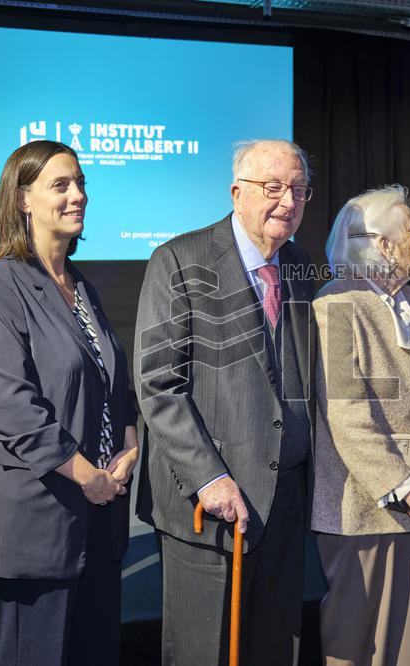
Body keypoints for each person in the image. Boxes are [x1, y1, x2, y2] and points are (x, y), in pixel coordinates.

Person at [134, 139, 315, 665]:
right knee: (203, 652)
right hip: (211, 506)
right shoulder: (180, 259)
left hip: (284, 501)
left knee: (274, 649)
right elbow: (158, 385)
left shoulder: (300, 266)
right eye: (273, 187)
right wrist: (209, 478)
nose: (287, 201)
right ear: (237, 192)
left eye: (299, 190)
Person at [0, 140, 139, 665]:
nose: (77, 195)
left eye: (81, 183)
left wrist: (128, 443)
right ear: (22, 201)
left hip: (99, 525)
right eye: (60, 185)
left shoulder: (82, 286)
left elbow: (112, 380)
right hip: (36, 528)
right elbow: (10, 407)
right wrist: (90, 476)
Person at [313, 185, 410, 666]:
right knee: (360, 643)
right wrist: (406, 488)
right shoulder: (337, 303)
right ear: (380, 243)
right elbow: (349, 418)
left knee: (407, 645)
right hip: (365, 508)